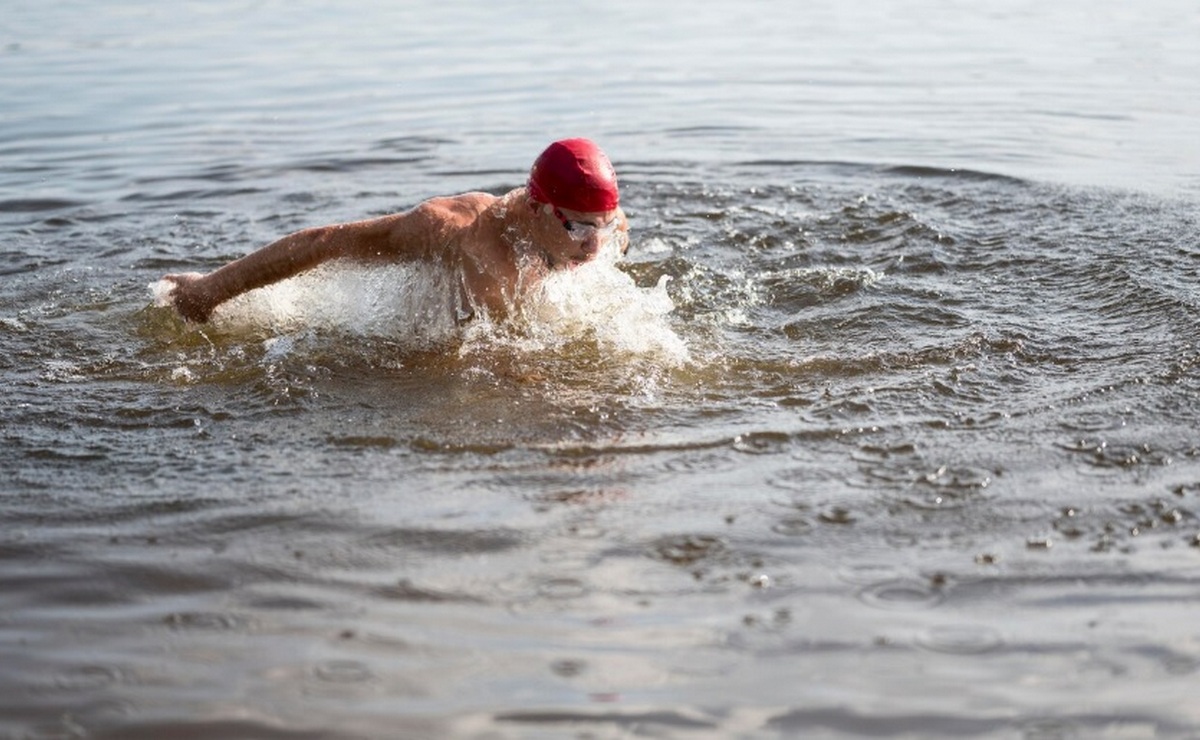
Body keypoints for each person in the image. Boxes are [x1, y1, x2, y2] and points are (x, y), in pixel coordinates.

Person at [161, 138, 629, 323]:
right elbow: (327, 242)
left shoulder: (602, 226)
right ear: (536, 206)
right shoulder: (457, 233)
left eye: (604, 225)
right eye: (578, 226)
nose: (594, 246)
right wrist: (208, 292)